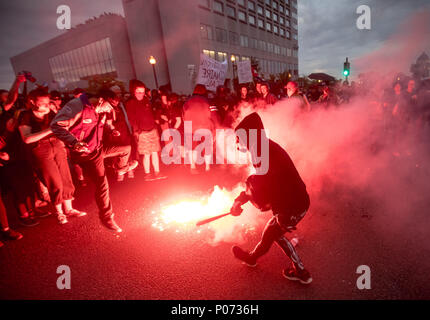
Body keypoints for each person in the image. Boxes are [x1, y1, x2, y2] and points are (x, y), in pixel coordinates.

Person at [229, 112, 312, 284]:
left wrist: (240, 200)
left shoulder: (262, 151)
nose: (237, 142)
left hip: (292, 205)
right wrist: (240, 199)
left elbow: (262, 188)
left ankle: (302, 272)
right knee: (270, 234)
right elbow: (260, 184)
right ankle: (252, 258)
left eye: (240, 138)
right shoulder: (263, 147)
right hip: (292, 202)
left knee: (274, 234)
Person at [50, 89, 135, 232]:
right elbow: (56, 126)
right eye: (109, 106)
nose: (109, 110)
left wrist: (110, 130)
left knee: (126, 148)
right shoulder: (78, 106)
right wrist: (74, 142)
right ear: (101, 100)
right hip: (85, 154)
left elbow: (99, 125)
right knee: (102, 184)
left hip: (97, 149)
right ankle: (107, 218)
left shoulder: (100, 110)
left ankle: (121, 168)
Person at [18, 88, 86, 224]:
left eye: (47, 102)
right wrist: (49, 129)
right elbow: (26, 138)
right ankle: (59, 213)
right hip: (41, 150)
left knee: (66, 177)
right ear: (32, 102)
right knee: (54, 181)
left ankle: (69, 209)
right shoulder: (26, 115)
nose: (46, 105)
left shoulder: (52, 112)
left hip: (57, 145)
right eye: (42, 102)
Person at [126, 80, 165, 181]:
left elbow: (151, 113)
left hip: (152, 130)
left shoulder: (146, 100)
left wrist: (156, 122)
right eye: (139, 92)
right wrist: (137, 131)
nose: (141, 94)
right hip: (142, 132)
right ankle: (147, 174)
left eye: (143, 92)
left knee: (155, 152)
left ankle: (157, 172)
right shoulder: (131, 103)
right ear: (133, 92)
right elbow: (131, 118)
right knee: (147, 154)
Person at [183, 84, 216, 173]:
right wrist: (215, 129)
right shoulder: (208, 101)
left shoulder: (186, 102)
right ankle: (207, 167)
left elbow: (183, 116)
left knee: (192, 148)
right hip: (206, 127)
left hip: (191, 129)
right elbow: (214, 116)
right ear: (204, 91)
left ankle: (193, 167)